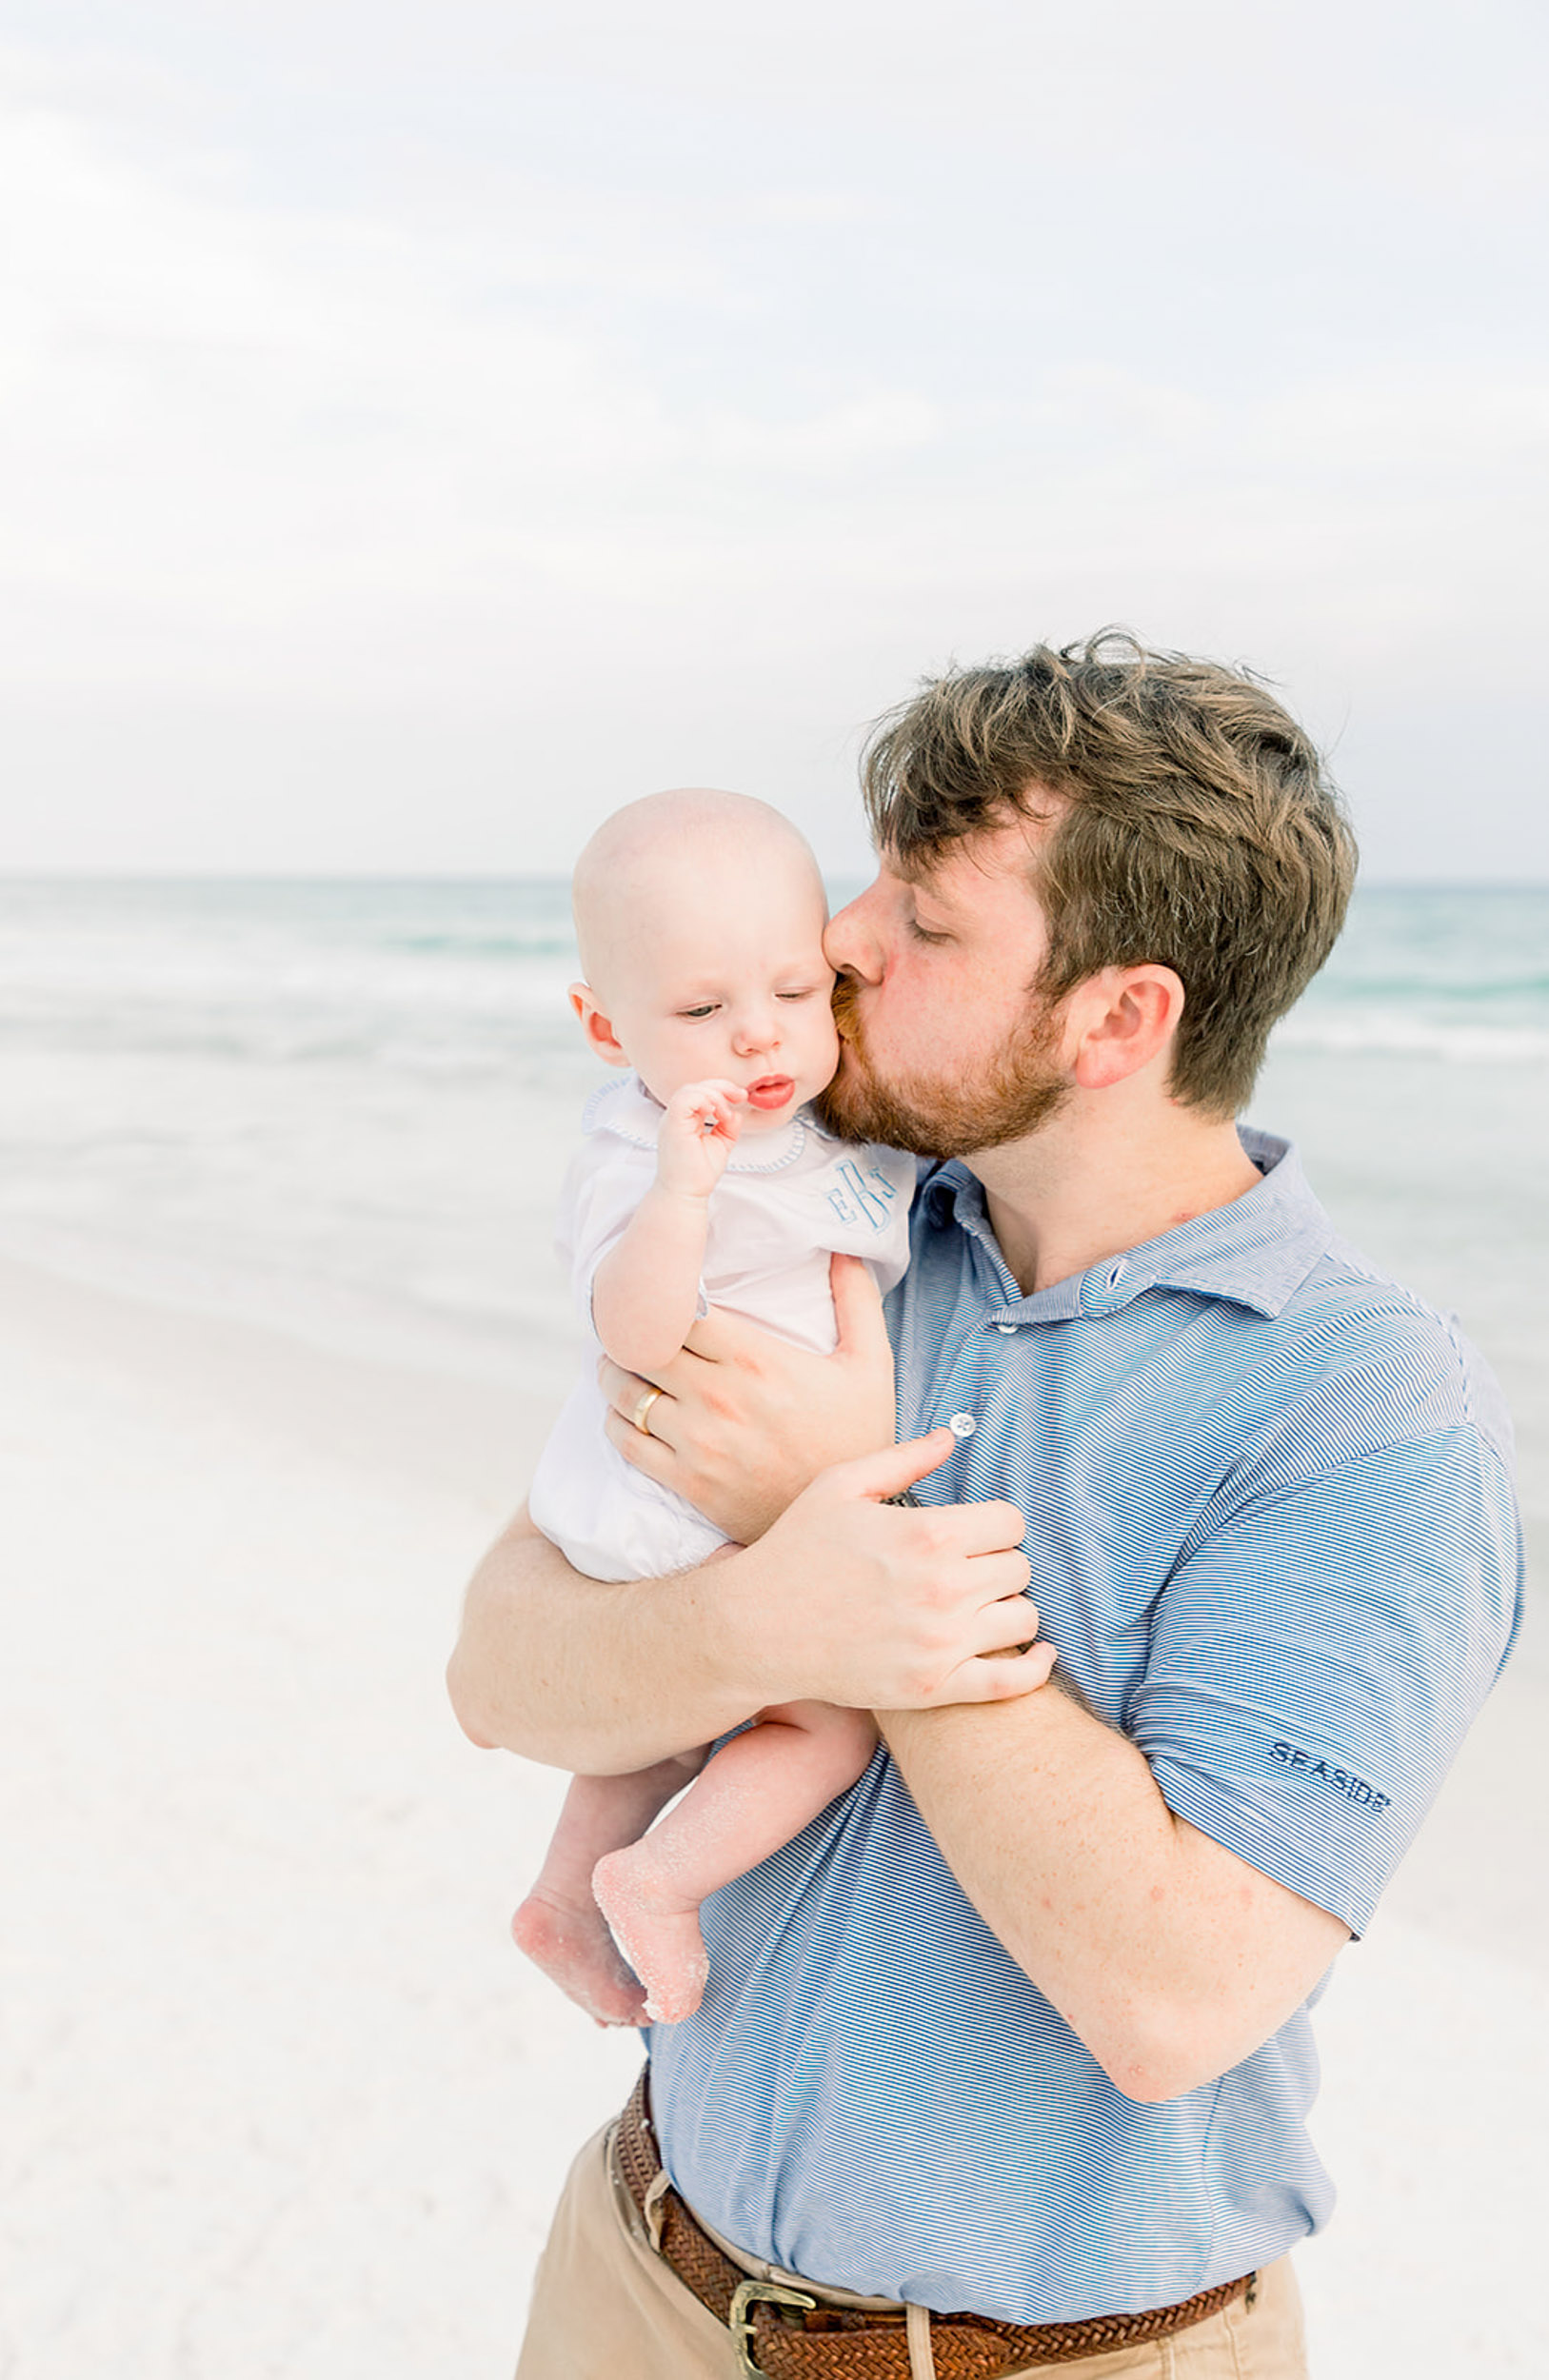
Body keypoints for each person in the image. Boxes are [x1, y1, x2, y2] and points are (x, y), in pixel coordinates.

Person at [448, 634, 1521, 2380]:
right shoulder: (847, 1233)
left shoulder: (1367, 1416)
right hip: (641, 2282)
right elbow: (503, 1667)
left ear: (1118, 1017)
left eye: (927, 924)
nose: (842, 947)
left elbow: (1175, 2001)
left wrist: (850, 1557)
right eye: (870, 883)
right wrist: (767, 1609)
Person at [515, 789, 933, 2029]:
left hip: (714, 1484)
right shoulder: (640, 1154)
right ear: (604, 1027)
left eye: (795, 995)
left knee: (653, 1733)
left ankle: (557, 1895)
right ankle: (658, 1879)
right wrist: (682, 1194)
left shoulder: (803, 1125)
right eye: (702, 1011)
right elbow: (633, 1333)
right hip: (681, 1489)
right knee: (827, 1725)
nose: (759, 1039)